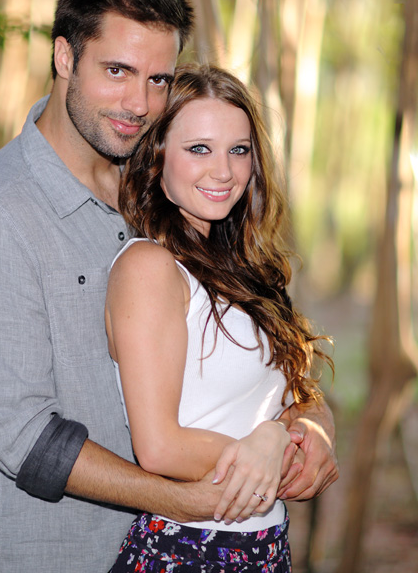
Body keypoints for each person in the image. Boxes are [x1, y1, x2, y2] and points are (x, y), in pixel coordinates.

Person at [0, 0, 338, 573]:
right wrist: (185, 499)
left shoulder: (167, 190)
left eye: (157, 79)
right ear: (64, 57)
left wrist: (311, 430)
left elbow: (265, 372)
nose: (138, 103)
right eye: (117, 70)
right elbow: (26, 442)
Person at [107, 63, 335, 572]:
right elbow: (160, 446)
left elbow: (285, 399)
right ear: (157, 156)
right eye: (199, 149)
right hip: (187, 548)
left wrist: (310, 426)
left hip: (262, 544)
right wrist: (273, 447)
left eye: (239, 150)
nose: (224, 171)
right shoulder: (149, 268)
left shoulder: (246, 273)